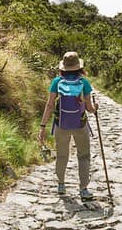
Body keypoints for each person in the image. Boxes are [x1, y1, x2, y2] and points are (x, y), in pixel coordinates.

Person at [38, 51, 98, 199]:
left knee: (62, 155)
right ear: (79, 67)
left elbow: (50, 105)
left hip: (61, 125)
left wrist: (43, 126)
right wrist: (95, 108)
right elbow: (89, 109)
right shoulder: (84, 82)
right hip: (80, 125)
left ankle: (61, 185)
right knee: (83, 156)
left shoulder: (57, 82)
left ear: (63, 67)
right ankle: (83, 189)